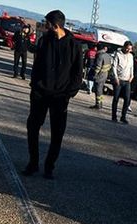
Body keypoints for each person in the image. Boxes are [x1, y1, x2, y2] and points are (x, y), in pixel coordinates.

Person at [22, 10, 83, 179]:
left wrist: (69, 94)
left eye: (47, 23)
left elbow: (78, 73)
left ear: (55, 25)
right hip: (40, 93)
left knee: (57, 133)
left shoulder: (74, 46)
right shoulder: (44, 41)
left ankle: (49, 166)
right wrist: (35, 86)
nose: (45, 25)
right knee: (32, 127)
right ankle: (33, 163)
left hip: (60, 97)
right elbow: (37, 65)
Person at [111, 41, 134, 124]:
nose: (128, 50)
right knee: (116, 98)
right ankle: (114, 116)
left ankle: (123, 117)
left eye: (130, 49)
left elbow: (131, 67)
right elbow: (114, 66)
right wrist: (116, 77)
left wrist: (132, 76)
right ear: (124, 47)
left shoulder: (131, 56)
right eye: (127, 48)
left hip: (127, 80)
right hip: (119, 79)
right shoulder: (118, 54)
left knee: (127, 99)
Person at [89, 44, 111, 110]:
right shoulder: (107, 55)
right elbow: (110, 66)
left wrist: (95, 74)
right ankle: (100, 103)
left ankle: (98, 105)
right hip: (105, 74)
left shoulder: (99, 55)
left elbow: (98, 67)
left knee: (98, 90)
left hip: (99, 75)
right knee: (100, 90)